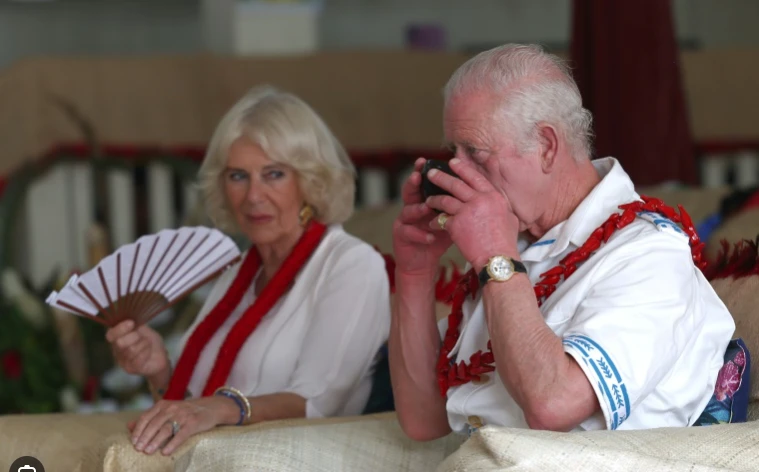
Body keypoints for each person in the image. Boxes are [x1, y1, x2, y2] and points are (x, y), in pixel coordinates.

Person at [389, 44, 736, 440]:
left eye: (475, 152)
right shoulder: (511, 244)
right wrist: (415, 271)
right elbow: (424, 422)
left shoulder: (648, 253)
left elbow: (554, 406)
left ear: (547, 147)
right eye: (453, 152)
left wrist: (495, 257)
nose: (457, 171)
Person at [105, 85, 391, 455]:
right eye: (238, 176)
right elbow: (193, 407)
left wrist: (225, 407)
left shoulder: (351, 264)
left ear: (310, 180)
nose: (253, 196)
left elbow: (319, 403)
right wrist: (159, 370)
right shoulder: (238, 272)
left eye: (273, 174)